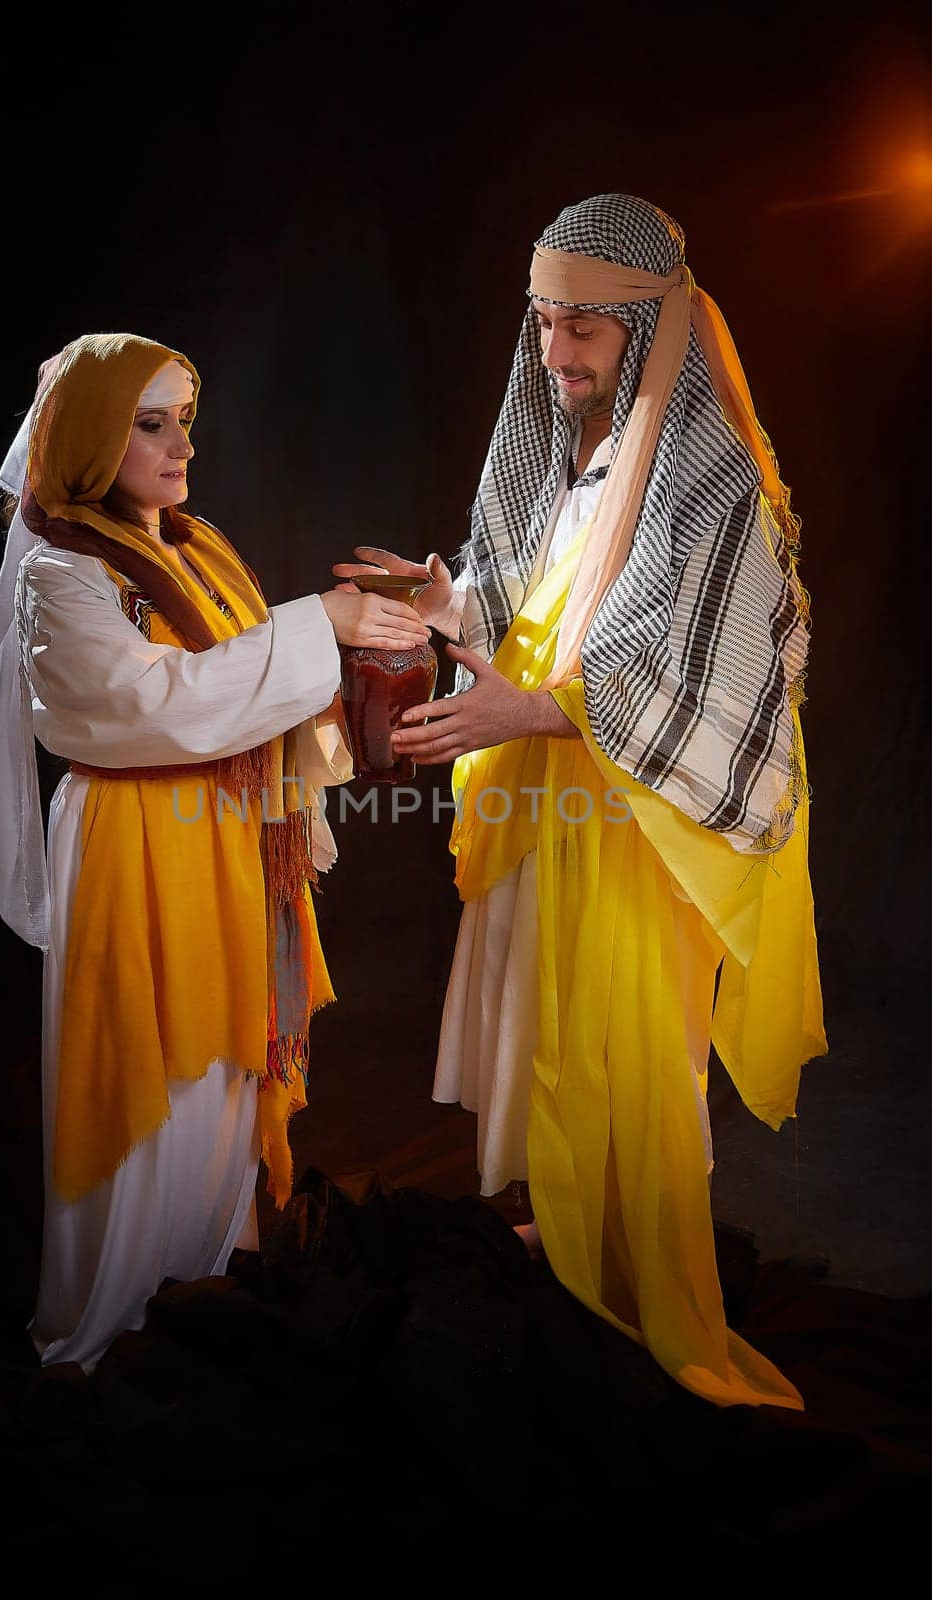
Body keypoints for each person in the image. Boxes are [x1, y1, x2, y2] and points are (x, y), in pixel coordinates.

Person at [335, 194, 828, 1409]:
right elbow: (547, 619)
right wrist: (456, 608)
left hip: (631, 835)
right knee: (547, 1048)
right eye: (544, 322)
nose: (553, 353)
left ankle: (628, 1283)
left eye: (582, 331)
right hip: (561, 823)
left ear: (648, 331)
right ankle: (565, 1247)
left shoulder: (718, 487)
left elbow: (718, 668)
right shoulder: (590, 459)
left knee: (630, 1064)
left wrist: (532, 714)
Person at [0, 332, 429, 1371]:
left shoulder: (199, 547)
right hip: (136, 846)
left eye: (186, 419)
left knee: (224, 1071)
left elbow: (254, 691)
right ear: (93, 434)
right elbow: (153, 703)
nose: (180, 445)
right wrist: (319, 622)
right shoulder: (62, 573)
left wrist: (316, 767)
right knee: (149, 1070)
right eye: (149, 424)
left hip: (224, 849)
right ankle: (123, 1312)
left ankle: (209, 1281)